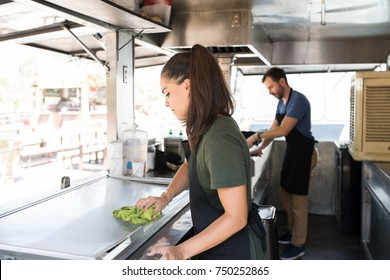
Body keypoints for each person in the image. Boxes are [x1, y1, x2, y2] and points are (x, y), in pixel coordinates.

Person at [136, 44, 265, 260]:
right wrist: (165, 197)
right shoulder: (206, 127)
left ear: (188, 86)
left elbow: (236, 217)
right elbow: (191, 164)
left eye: (167, 93)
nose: (166, 102)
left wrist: (181, 250)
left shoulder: (219, 137)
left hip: (234, 254)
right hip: (217, 247)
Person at [247, 67, 317, 260]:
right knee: (285, 195)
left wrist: (256, 136)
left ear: (282, 82)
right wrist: (260, 147)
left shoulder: (298, 100)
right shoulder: (282, 103)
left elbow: (284, 130)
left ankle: (298, 243)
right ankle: (292, 231)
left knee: (298, 201)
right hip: (292, 153)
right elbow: (274, 128)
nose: (269, 91)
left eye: (270, 87)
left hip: (304, 153)